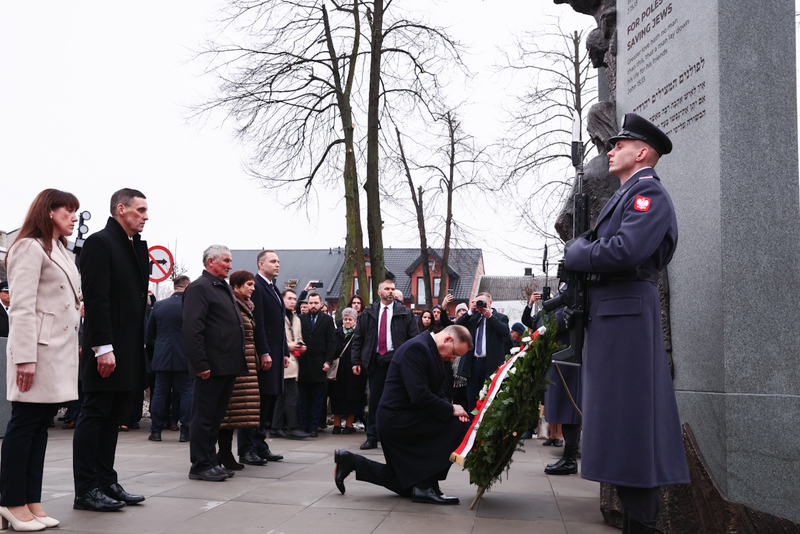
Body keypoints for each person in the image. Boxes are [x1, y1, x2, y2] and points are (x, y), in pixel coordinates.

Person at [563, 113, 689, 533]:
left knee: (631, 429)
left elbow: (625, 250)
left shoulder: (647, 193)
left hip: (626, 320)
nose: (611, 149)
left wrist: (577, 252)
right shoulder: (627, 194)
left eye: (620, 144)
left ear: (643, 152)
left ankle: (643, 525)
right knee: (620, 432)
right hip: (615, 317)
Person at [0, 189, 81, 531]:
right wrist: (24, 358)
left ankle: (31, 499)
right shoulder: (28, 247)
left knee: (40, 425)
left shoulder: (59, 249)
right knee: (24, 424)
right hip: (36, 351)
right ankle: (10, 501)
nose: (74, 217)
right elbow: (21, 306)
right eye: (68, 211)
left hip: (57, 350)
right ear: (49, 211)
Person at [333, 325, 473, 504]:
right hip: (398, 421)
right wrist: (451, 410)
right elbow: (419, 394)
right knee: (459, 427)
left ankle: (351, 461)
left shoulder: (432, 351)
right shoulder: (417, 348)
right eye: (454, 354)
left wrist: (452, 408)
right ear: (447, 339)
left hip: (410, 417)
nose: (452, 359)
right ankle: (426, 485)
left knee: (404, 485)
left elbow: (436, 391)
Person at [73, 188, 149, 512]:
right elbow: (96, 298)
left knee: (113, 416)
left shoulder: (133, 246)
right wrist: (102, 347)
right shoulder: (99, 243)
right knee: (95, 414)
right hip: (106, 348)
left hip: (127, 347)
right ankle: (86, 489)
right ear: (121, 209)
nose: (145, 216)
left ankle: (106, 482)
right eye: (140, 210)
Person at [182, 245, 248, 482]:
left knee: (215, 418)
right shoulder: (199, 288)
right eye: (226, 261)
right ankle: (200, 465)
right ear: (211, 261)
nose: (230, 265)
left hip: (226, 365)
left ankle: (210, 462)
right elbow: (192, 329)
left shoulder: (221, 287)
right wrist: (200, 364)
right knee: (203, 417)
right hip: (210, 366)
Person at [350, 279, 419, 450]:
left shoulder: (405, 313)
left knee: (397, 401)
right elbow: (358, 338)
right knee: (375, 402)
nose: (391, 291)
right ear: (379, 292)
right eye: (387, 289)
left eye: (393, 289)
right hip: (375, 362)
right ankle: (372, 437)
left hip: (397, 362)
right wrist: (356, 361)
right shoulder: (368, 313)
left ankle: (395, 437)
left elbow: (414, 339)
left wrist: (412, 362)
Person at [522, 292, 581, 472]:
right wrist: (536, 306)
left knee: (570, 412)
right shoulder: (557, 306)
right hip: (559, 364)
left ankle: (570, 458)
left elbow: (555, 324)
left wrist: (548, 312)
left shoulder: (570, 301)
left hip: (568, 364)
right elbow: (533, 322)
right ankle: (568, 457)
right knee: (564, 412)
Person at [238, 250, 287, 465]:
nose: (277, 265)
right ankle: (247, 448)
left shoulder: (273, 287)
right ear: (261, 264)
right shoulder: (256, 286)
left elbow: (279, 324)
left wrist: (284, 351)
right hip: (262, 355)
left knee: (266, 401)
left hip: (274, 353)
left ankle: (260, 445)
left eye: (278, 261)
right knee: (254, 403)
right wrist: (264, 352)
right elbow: (258, 323)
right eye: (273, 261)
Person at [216, 270, 262, 471]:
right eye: (249, 284)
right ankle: (223, 452)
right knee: (230, 411)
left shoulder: (246, 305)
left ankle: (225, 453)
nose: (252, 288)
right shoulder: (232, 304)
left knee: (236, 412)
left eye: (253, 285)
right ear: (236, 285)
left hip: (247, 363)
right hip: (236, 363)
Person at [146, 276, 192, 443]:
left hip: (162, 356)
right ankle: (185, 432)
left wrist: (159, 347)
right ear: (186, 287)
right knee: (187, 393)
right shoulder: (190, 306)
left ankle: (156, 431)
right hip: (185, 355)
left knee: (159, 393)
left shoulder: (159, 305)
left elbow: (149, 334)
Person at [455, 292, 511, 413]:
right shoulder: (472, 317)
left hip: (491, 364)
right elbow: (457, 326)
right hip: (473, 364)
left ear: (490, 303)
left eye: (483, 303)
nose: (480, 306)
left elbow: (505, 331)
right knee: (472, 400)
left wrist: (490, 316)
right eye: (477, 303)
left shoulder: (500, 317)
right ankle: (472, 423)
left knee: (490, 398)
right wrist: (470, 311)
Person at [270, 288, 308, 439]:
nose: (293, 301)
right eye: (289, 298)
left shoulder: (296, 319)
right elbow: (273, 338)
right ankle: (293, 427)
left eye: (294, 299)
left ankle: (276, 427)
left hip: (293, 362)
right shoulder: (277, 316)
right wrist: (288, 346)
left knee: (283, 396)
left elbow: (298, 337)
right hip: (283, 361)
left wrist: (301, 345)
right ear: (282, 299)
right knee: (292, 395)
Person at [297, 292, 335, 436]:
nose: (313, 306)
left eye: (315, 303)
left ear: (321, 304)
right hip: (303, 364)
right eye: (311, 303)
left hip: (319, 364)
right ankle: (303, 425)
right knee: (303, 398)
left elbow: (331, 342)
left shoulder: (327, 320)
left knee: (318, 398)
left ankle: (314, 426)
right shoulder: (300, 319)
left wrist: (328, 361)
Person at [329, 307, 366, 434]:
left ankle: (349, 425)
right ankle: (337, 425)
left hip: (353, 371)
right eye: (345, 319)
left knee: (352, 398)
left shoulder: (360, 334)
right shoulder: (336, 333)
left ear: (355, 321)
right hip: (338, 371)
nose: (347, 322)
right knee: (336, 398)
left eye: (350, 319)